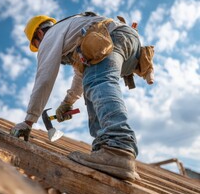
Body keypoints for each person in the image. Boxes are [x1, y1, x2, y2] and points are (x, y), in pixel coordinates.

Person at [10, 11, 148, 181]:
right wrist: (67, 103)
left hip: (113, 38)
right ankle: (105, 152)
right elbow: (81, 75)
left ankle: (118, 147)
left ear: (39, 34)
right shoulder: (71, 32)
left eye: (37, 45)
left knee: (98, 80)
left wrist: (29, 120)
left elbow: (44, 78)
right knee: (92, 85)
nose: (40, 49)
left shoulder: (50, 36)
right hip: (130, 47)